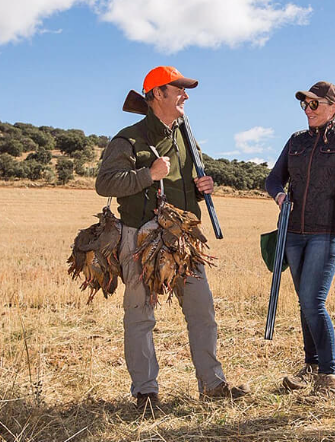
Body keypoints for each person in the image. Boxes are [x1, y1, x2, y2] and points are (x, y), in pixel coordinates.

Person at [96, 66, 249, 410]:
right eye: (178, 89)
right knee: (140, 314)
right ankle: (146, 393)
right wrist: (148, 174)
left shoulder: (185, 134)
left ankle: (212, 385)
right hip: (141, 237)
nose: (185, 95)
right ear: (156, 95)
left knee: (202, 311)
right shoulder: (128, 139)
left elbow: (190, 179)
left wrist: (201, 188)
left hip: (183, 238)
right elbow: (104, 184)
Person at [265, 81, 335, 396]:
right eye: (305, 104)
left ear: (333, 107)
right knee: (305, 303)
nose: (308, 109)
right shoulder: (296, 141)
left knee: (313, 301)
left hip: (327, 232)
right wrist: (278, 196)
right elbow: (274, 178)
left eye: (314, 104)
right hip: (293, 232)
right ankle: (312, 367)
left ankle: (330, 378)